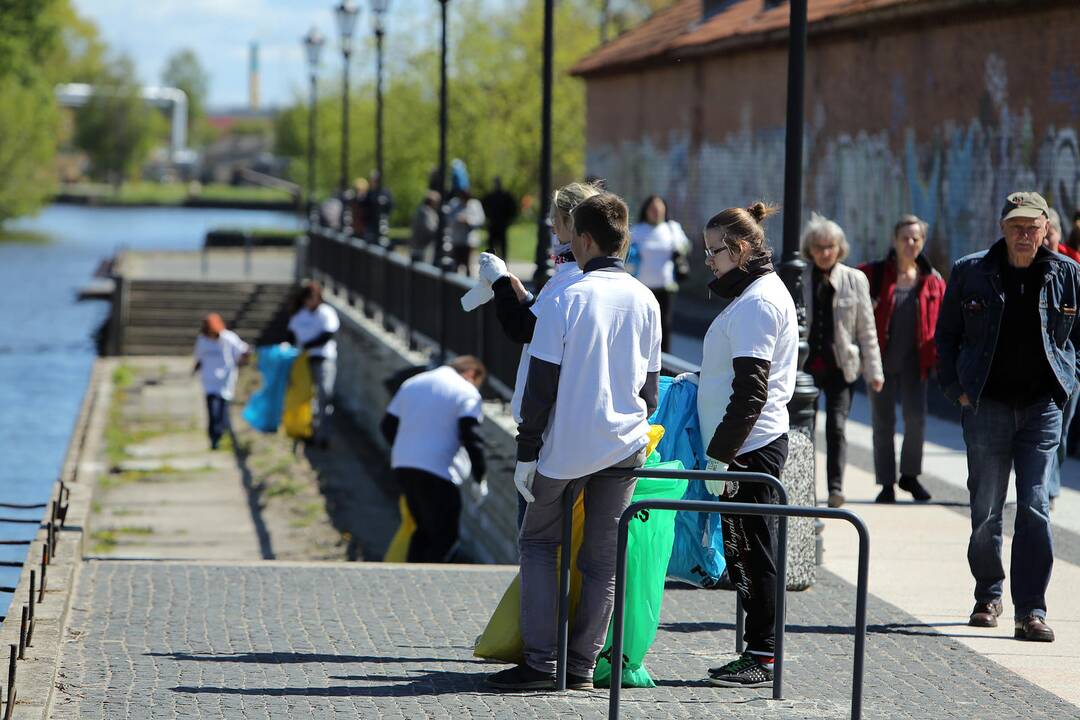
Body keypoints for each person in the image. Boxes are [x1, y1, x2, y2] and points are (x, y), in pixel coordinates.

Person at [486, 192, 662, 691]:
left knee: (541, 543)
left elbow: (542, 386)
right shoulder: (646, 298)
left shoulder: (566, 298)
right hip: (625, 445)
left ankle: (542, 663)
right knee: (603, 558)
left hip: (566, 447)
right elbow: (649, 390)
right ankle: (582, 667)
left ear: (582, 239)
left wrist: (526, 452)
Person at [936, 191, 1080, 643]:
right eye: (1016, 226)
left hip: (1041, 410)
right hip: (986, 407)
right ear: (1002, 227)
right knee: (985, 509)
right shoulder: (970, 272)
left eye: (1032, 226)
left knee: (1035, 505)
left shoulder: (1067, 275)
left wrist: (1070, 381)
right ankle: (988, 593)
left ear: (1045, 230)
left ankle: (1031, 610)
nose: (1023, 234)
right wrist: (956, 391)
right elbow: (946, 338)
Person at [695, 202, 798, 689]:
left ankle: (764, 656)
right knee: (744, 552)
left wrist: (722, 454)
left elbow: (752, 390)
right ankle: (758, 651)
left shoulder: (758, 300)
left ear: (739, 250)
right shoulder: (754, 293)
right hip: (746, 444)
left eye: (714, 252)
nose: (709, 262)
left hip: (748, 448)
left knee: (752, 552)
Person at [479, 180, 601, 526]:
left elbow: (524, 329)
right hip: (584, 432)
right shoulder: (578, 276)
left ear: (570, 226)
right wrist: (524, 297)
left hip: (553, 435)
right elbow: (545, 324)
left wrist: (501, 281)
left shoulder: (571, 279)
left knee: (536, 542)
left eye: (554, 223)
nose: (550, 229)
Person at [859, 215, 944, 503]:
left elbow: (943, 320)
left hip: (915, 363)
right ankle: (886, 483)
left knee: (916, 420)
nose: (910, 243)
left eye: (916, 238)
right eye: (905, 238)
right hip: (879, 360)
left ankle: (910, 476)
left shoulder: (932, 281)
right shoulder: (875, 273)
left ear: (922, 242)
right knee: (883, 422)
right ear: (894, 241)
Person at [800, 213, 883, 508]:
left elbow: (866, 328)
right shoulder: (799, 277)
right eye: (819, 247)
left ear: (839, 248)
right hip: (806, 366)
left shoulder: (854, 279)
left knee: (836, 426)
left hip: (841, 366)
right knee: (803, 427)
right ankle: (802, 486)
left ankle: (835, 487)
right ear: (809, 249)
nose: (824, 253)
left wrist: (874, 370)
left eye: (830, 247)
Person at [380, 356, 487, 563]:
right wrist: (480, 476)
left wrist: (408, 449)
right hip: (440, 471)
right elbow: (472, 436)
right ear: (472, 374)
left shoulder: (413, 382)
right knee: (444, 538)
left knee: (422, 531)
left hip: (404, 467)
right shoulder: (466, 391)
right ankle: (429, 587)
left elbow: (387, 426)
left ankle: (411, 580)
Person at [1045, 207, 1080, 509]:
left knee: (1061, 430)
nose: (1044, 243)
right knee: (1043, 428)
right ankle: (1043, 486)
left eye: (1049, 235)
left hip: (1071, 366)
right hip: (1039, 367)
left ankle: (1049, 486)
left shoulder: (1074, 269)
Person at [628, 195, 691, 352]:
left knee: (664, 325)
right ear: (646, 211)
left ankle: (665, 360)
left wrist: (679, 245)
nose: (656, 212)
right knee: (643, 325)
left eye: (659, 209)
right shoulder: (637, 230)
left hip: (666, 286)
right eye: (652, 209)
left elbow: (686, 247)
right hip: (643, 286)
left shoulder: (672, 228)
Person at [287, 280, 341, 449]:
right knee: (305, 397)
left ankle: (323, 435)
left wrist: (307, 345)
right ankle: (307, 431)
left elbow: (327, 335)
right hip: (303, 360)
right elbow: (290, 335)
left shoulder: (326, 313)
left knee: (325, 394)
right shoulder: (299, 315)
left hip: (324, 358)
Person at [193, 313, 250, 450]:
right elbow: (199, 357)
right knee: (212, 410)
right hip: (209, 380)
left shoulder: (228, 338)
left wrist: (243, 361)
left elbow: (244, 350)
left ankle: (222, 434)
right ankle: (214, 438)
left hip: (226, 379)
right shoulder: (202, 340)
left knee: (223, 410)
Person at [448, 190, 486, 275]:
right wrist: (457, 219)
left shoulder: (475, 204)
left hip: (469, 240)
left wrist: (468, 220)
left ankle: (468, 283)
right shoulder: (454, 204)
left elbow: (481, 220)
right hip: (457, 239)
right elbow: (448, 219)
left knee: (468, 265)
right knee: (456, 264)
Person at [481, 177, 518, 259]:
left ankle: (501, 261)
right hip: (494, 224)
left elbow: (513, 209)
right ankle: (492, 261)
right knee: (493, 245)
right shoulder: (490, 196)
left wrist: (509, 220)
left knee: (500, 245)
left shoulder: (505, 196)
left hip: (501, 224)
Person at [409, 191, 441, 262]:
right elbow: (430, 229)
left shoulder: (419, 210)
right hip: (423, 247)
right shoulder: (426, 212)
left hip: (416, 246)